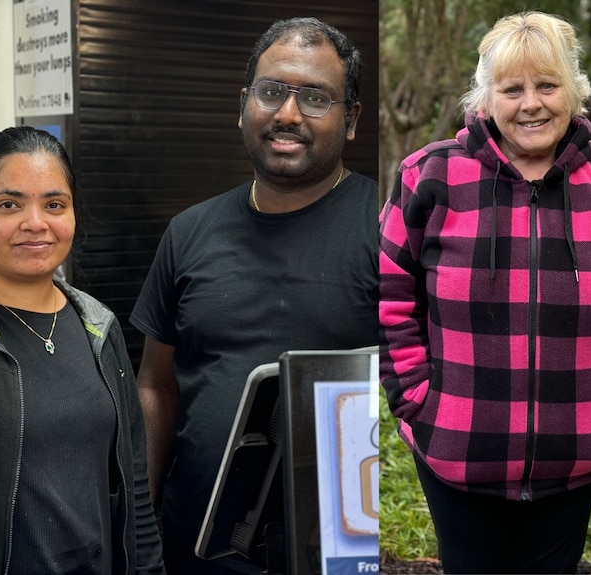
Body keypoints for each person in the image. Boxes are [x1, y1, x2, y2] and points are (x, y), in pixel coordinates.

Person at [130, 17, 379, 574]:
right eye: (272, 92)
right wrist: (141, 526)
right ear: (244, 104)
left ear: (352, 119)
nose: (288, 114)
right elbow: (156, 385)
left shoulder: (387, 224)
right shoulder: (189, 232)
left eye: (316, 97)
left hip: (343, 554)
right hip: (194, 548)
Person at [380, 11, 591, 574]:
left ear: (574, 90)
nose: (532, 104)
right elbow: (390, 297)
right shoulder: (429, 177)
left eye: (548, 85)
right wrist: (417, 402)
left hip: (577, 454)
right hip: (456, 450)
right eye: (512, 88)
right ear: (485, 99)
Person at [0, 126, 165, 575]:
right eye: (9, 204)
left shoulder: (99, 328)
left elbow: (135, 486)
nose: (35, 223)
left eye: (54, 205)